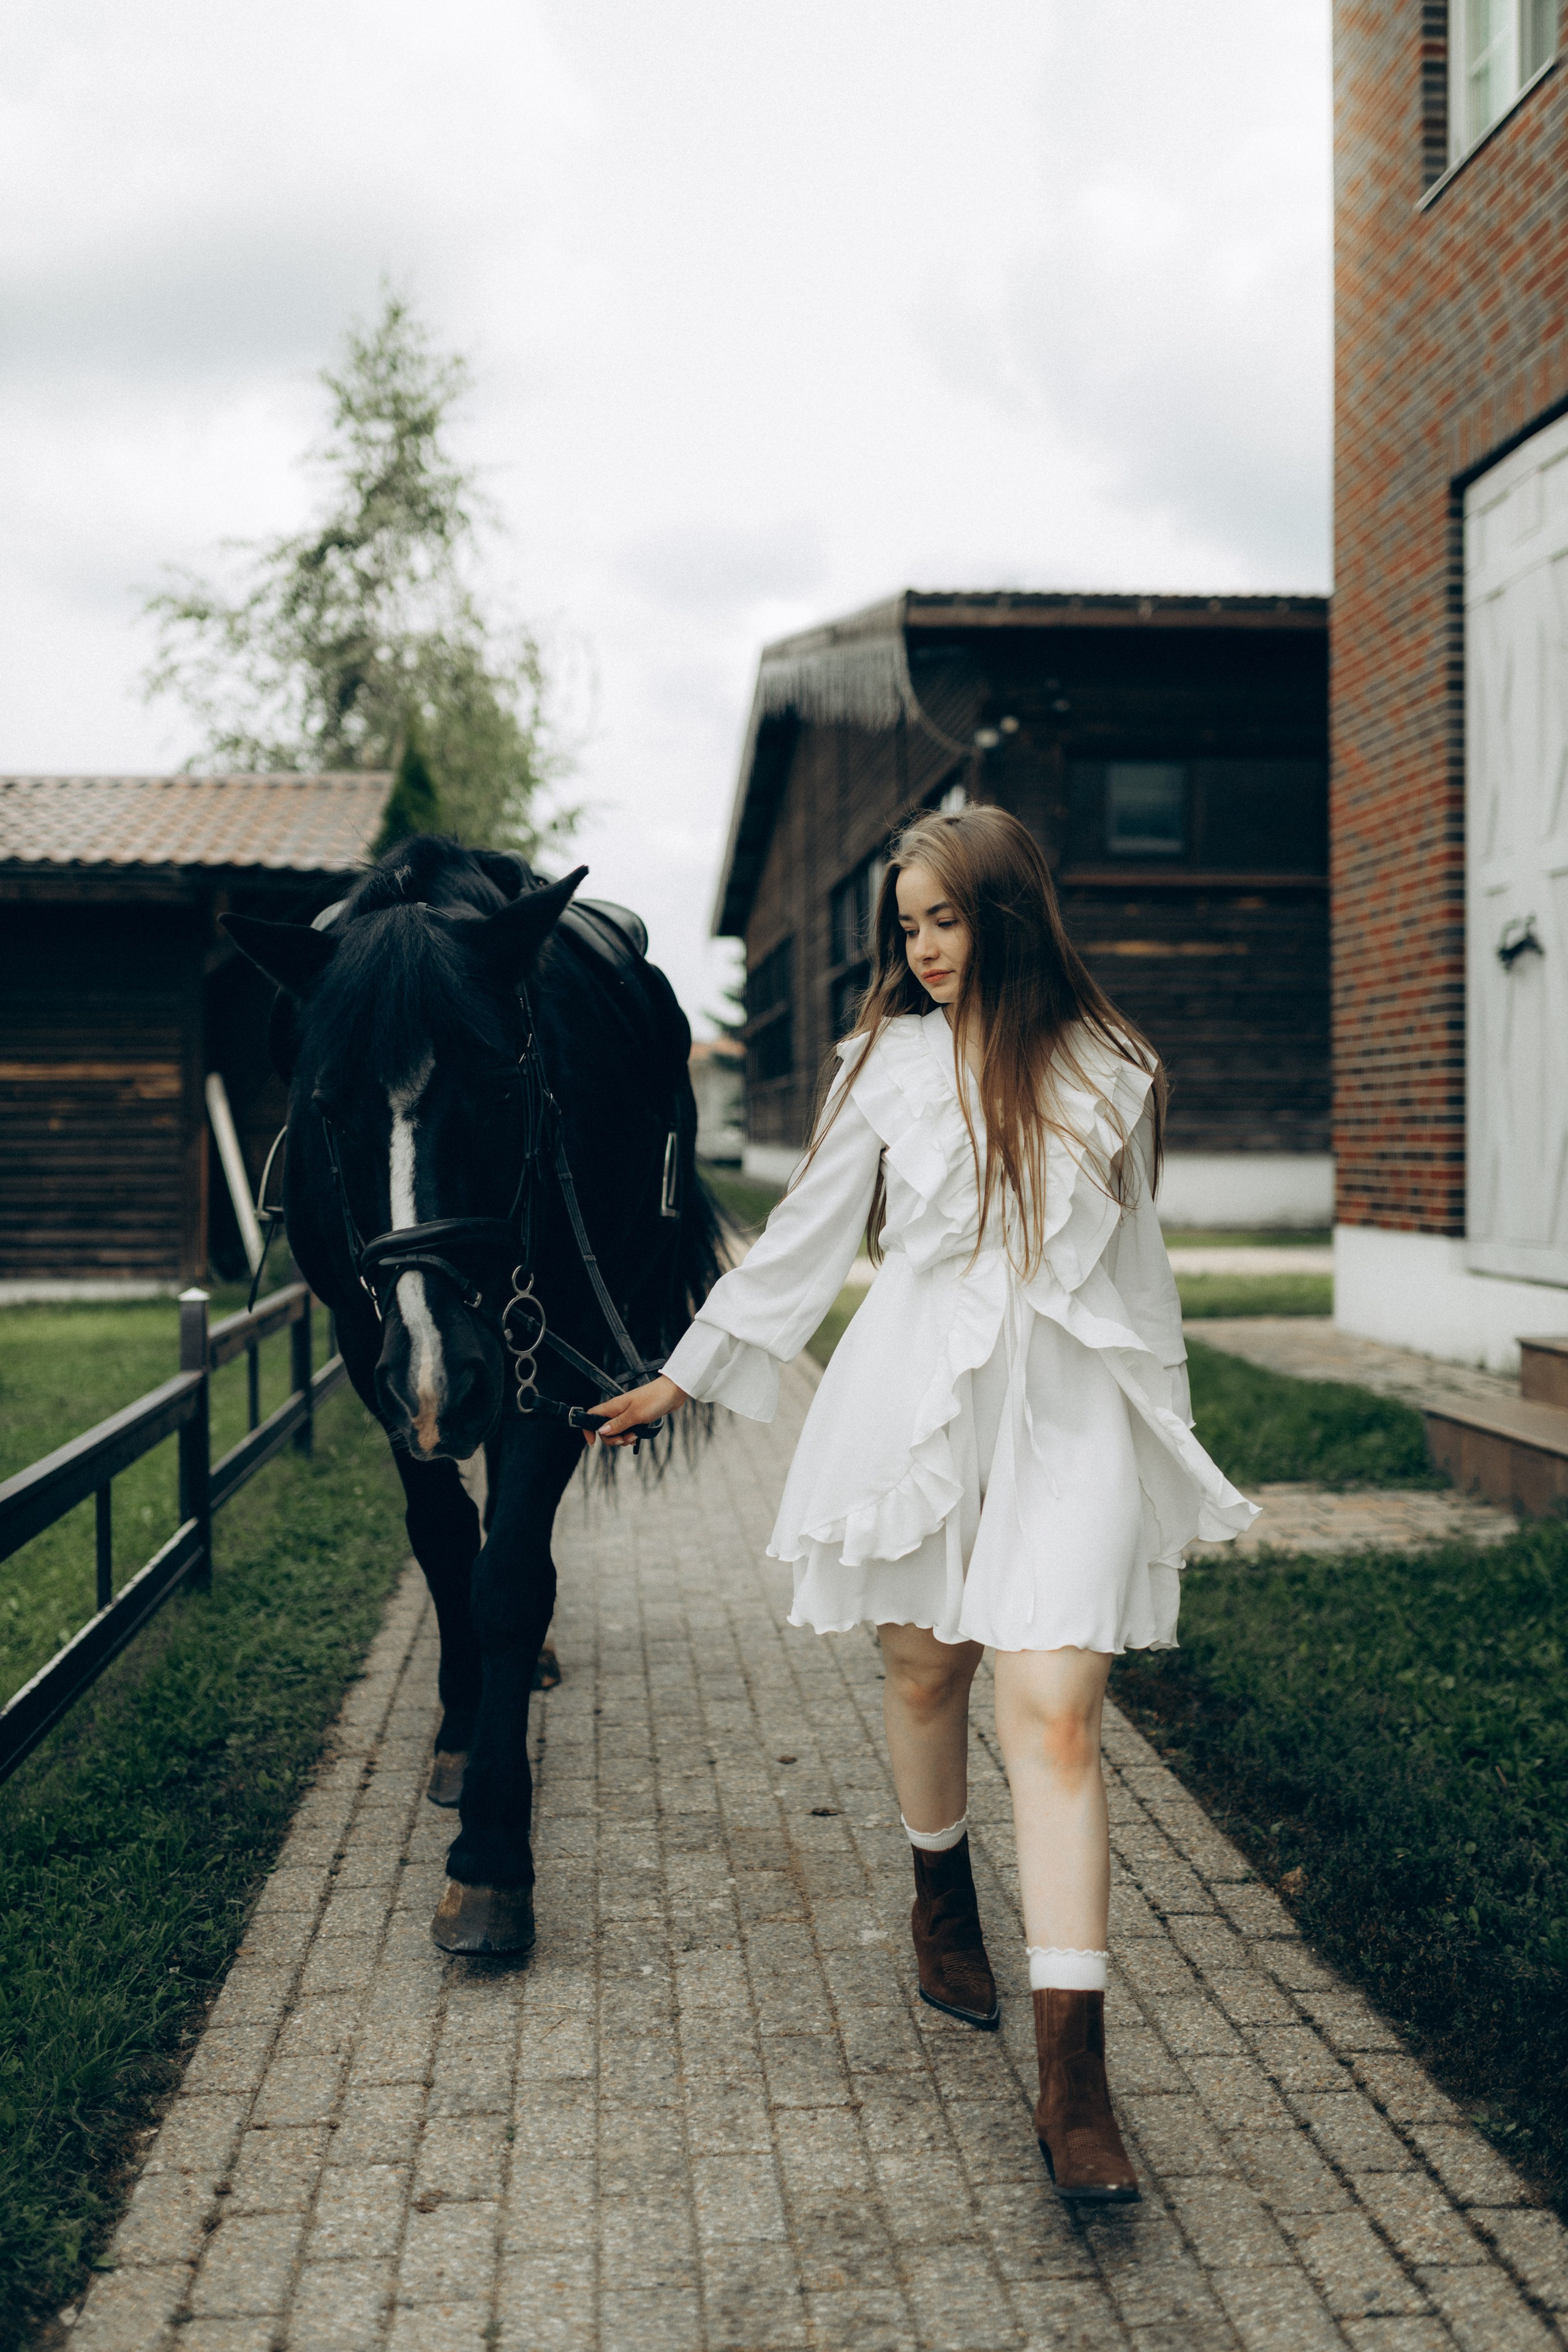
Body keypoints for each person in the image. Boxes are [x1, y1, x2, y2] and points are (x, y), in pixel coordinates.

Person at [588, 805, 1256, 2204]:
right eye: (908, 927)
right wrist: (688, 1373)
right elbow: (805, 1244)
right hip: (911, 1395)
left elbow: (1141, 1286)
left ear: (1008, 912)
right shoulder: (880, 1069)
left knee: (1055, 1710)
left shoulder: (1115, 1070)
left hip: (1066, 1409)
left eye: (945, 919)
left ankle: (1075, 2083)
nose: (925, 948)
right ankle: (937, 1890)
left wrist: (1161, 1449)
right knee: (920, 1672)